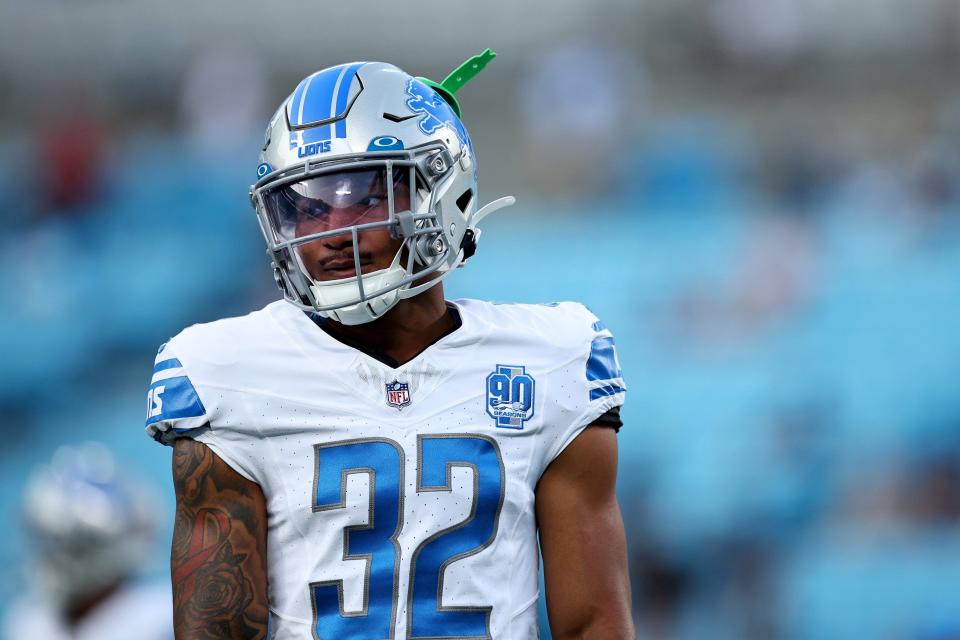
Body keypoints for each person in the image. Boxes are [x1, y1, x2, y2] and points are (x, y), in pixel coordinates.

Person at [146, 49, 633, 639]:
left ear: (440, 190)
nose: (330, 234)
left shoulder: (553, 359)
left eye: (363, 197)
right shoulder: (228, 371)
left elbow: (594, 623)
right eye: (306, 208)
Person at [2, 443, 173, 640]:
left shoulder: (160, 620)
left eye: (64, 547)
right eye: (44, 544)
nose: (48, 558)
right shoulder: (30, 622)